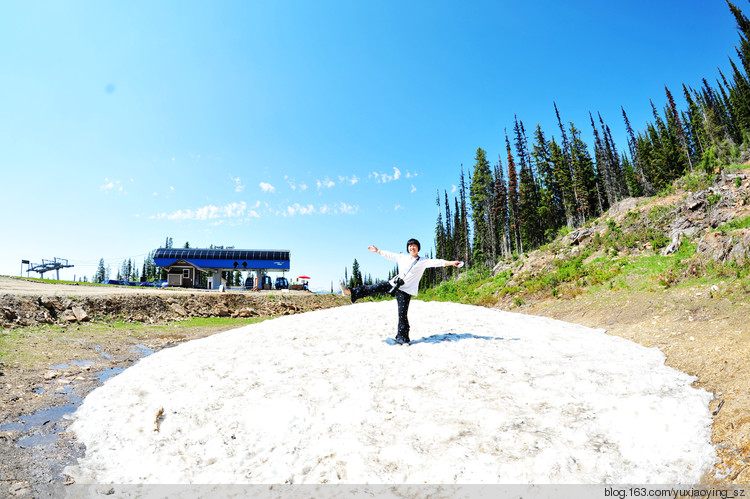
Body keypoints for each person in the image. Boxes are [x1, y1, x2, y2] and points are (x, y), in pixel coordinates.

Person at [340, 238, 462, 345]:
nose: (412, 247)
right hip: (394, 284)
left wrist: (453, 263)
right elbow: (390, 255)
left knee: (402, 315)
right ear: (408, 248)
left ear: (418, 248)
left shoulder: (423, 261)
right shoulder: (402, 257)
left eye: (414, 245)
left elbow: (439, 262)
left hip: (406, 291)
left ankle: (402, 338)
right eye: (410, 246)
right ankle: (350, 292)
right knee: (373, 288)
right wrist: (378, 251)